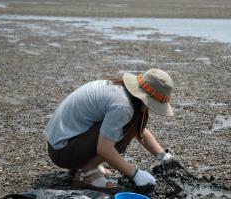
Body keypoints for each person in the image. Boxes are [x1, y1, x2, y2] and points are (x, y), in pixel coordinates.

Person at [44, 68, 182, 193]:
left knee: (122, 127)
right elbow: (105, 149)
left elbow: (139, 130)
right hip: (62, 152)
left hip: (62, 143)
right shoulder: (123, 106)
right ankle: (86, 174)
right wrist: (135, 174)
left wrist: (163, 156)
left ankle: (85, 164)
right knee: (120, 133)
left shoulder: (122, 91)